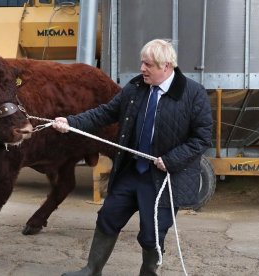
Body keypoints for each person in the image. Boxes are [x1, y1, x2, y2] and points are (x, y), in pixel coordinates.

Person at [53, 39, 212, 275]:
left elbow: (202, 138)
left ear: (166, 66)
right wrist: (72, 122)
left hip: (163, 178)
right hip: (131, 171)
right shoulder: (136, 88)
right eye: (142, 63)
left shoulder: (193, 94)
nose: (142, 69)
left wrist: (171, 159)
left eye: (148, 65)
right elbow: (105, 113)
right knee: (108, 217)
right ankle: (91, 269)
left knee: (152, 234)